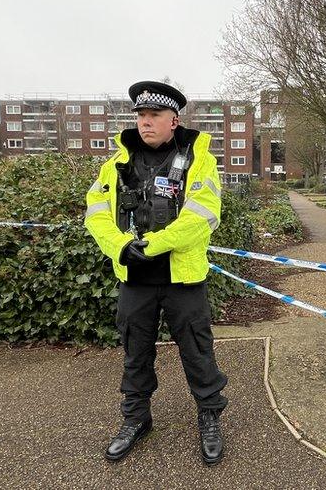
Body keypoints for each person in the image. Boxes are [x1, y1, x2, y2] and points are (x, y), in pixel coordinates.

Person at [84, 80, 227, 465]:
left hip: (183, 277)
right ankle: (136, 419)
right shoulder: (114, 164)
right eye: (141, 116)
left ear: (174, 120)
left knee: (197, 350)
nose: (145, 122)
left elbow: (204, 215)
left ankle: (209, 414)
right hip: (135, 279)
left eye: (154, 115)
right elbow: (95, 214)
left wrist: (154, 244)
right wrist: (119, 246)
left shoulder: (199, 160)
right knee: (135, 351)